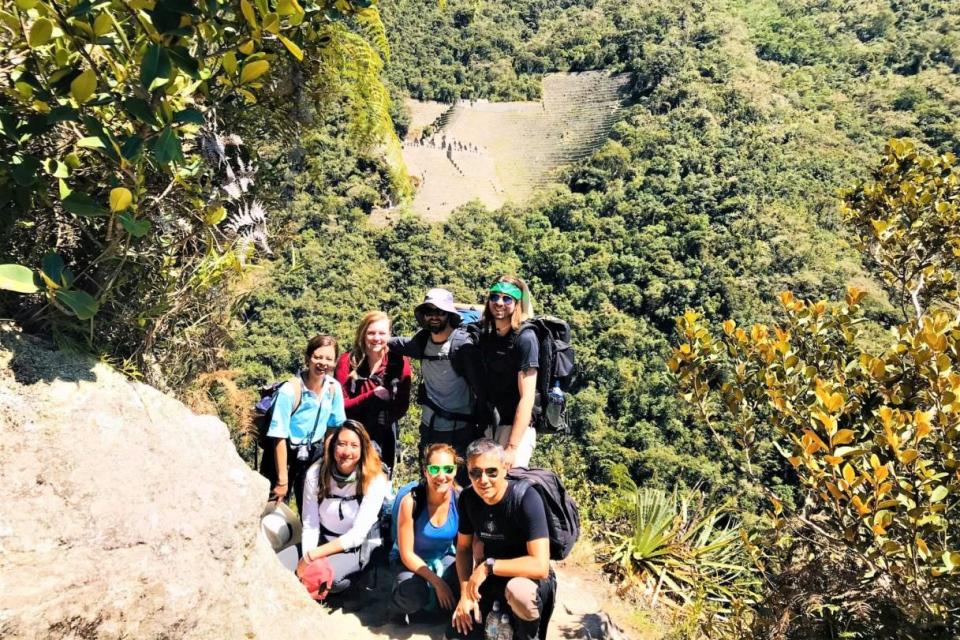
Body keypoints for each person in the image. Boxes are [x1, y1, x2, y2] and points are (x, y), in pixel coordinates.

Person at [449, 438, 555, 640]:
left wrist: (488, 566)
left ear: (505, 468)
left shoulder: (526, 498)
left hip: (527, 580)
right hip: (491, 579)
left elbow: (540, 566)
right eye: (475, 472)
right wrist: (465, 594)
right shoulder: (468, 499)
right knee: (456, 633)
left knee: (519, 592)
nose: (483, 480)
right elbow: (463, 549)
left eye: (492, 471)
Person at [389, 288, 484, 482]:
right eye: (429, 312)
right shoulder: (422, 341)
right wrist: (374, 341)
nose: (434, 316)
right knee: (430, 481)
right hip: (429, 429)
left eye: (439, 312)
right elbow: (395, 344)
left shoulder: (462, 346)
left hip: (461, 430)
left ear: (449, 315)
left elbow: (481, 389)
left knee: (459, 485)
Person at [263, 335, 346, 550]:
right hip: (283, 455)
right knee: (271, 507)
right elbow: (278, 435)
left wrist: (327, 459)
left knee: (309, 509)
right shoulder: (290, 390)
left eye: (328, 359)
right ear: (308, 358)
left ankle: (304, 556)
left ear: (335, 362)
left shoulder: (333, 388)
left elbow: (334, 426)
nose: (323, 363)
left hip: (312, 454)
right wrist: (282, 480)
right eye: (318, 357)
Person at [296, 420, 391, 593]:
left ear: (363, 450)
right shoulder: (316, 473)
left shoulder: (374, 479)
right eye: (341, 444)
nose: (347, 452)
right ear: (333, 447)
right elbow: (310, 524)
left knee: (330, 581)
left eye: (354, 446)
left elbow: (357, 535)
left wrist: (312, 557)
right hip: (321, 541)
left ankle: (354, 584)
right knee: (280, 565)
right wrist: (308, 559)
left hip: (353, 548)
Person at [390, 443, 462, 622]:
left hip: (443, 557)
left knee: (456, 590)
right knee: (412, 593)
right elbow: (406, 554)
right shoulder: (412, 501)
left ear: (455, 471)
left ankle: (429, 609)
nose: (441, 475)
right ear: (425, 472)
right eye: (434, 468)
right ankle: (399, 605)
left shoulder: (461, 500)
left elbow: (465, 547)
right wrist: (438, 583)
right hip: (410, 561)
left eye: (447, 469)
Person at [334, 311, 411, 475]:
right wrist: (372, 396)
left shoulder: (398, 362)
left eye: (382, 333)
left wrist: (389, 416)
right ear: (363, 334)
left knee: (379, 483)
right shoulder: (347, 361)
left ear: (389, 335)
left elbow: (403, 403)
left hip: (383, 436)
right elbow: (341, 405)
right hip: (351, 433)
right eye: (371, 333)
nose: (376, 338)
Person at [477, 276, 538, 469]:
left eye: (507, 298)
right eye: (494, 297)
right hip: (491, 425)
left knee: (510, 486)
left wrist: (512, 447)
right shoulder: (489, 336)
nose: (499, 303)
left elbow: (527, 397)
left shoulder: (525, 339)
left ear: (517, 303)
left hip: (515, 430)